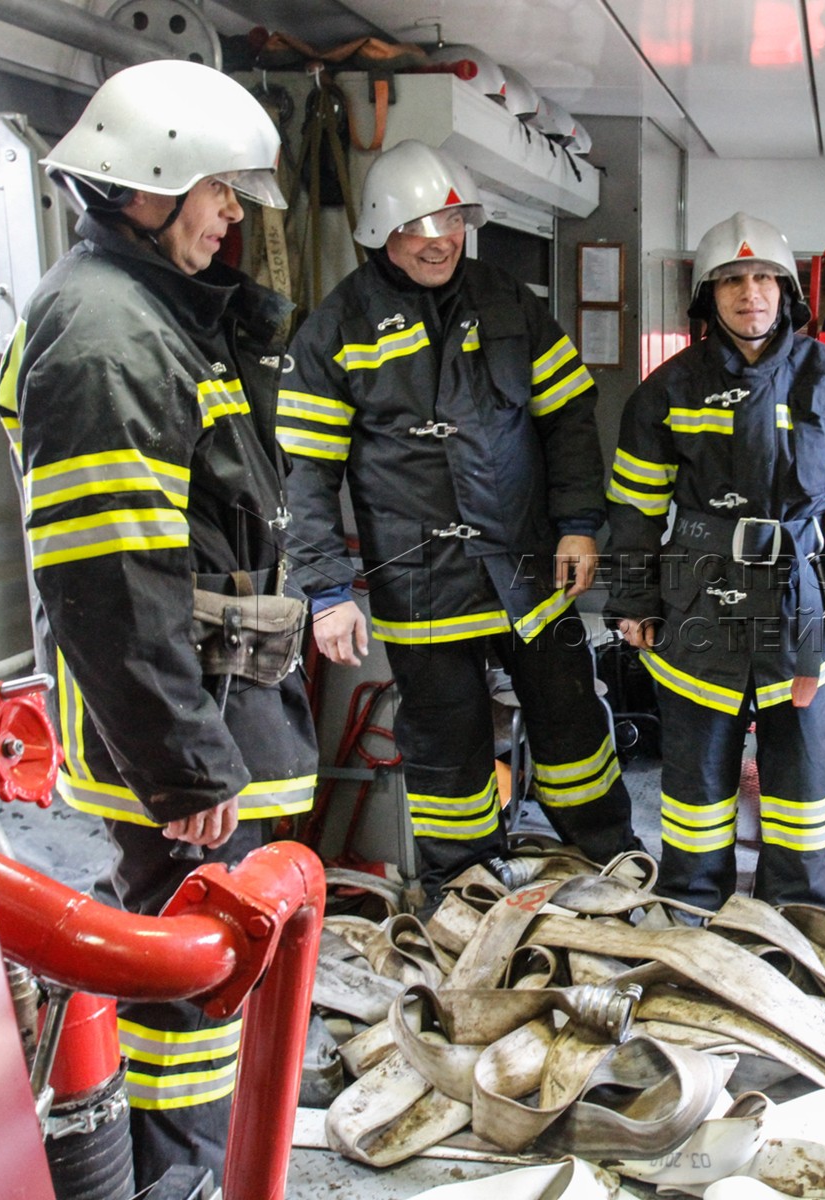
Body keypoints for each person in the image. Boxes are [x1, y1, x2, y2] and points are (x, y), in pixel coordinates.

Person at [0, 60, 319, 1190]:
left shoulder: (152, 312)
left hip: (220, 710)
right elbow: (113, 583)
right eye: (219, 189)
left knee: (222, 981)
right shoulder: (104, 338)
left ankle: (214, 1157)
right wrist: (184, 770)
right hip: (178, 741)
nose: (233, 213)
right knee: (189, 989)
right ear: (150, 186)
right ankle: (182, 1180)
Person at [279, 139, 638, 894]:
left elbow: (569, 419)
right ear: (382, 227)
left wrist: (579, 523)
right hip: (421, 579)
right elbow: (306, 476)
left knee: (573, 722)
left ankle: (610, 860)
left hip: (528, 568)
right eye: (421, 225)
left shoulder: (510, 304)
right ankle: (464, 888)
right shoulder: (335, 330)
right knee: (449, 747)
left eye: (452, 222)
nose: (442, 239)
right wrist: (326, 591)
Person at [605, 212, 825, 911]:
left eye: (765, 277)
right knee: (697, 777)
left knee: (801, 776)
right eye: (732, 280)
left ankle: (799, 907)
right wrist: (634, 599)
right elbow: (635, 509)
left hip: (804, 599)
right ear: (709, 296)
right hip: (698, 597)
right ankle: (692, 902)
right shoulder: (667, 389)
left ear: (787, 291)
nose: (751, 293)